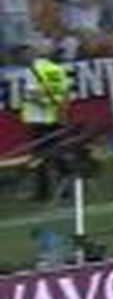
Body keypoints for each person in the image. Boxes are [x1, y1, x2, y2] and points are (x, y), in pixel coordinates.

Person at [19, 45, 69, 202]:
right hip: (55, 118)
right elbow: (64, 94)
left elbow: (33, 94)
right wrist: (60, 112)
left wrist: (42, 102)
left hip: (38, 119)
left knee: (40, 157)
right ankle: (67, 187)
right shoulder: (57, 70)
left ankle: (43, 192)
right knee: (59, 154)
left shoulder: (32, 71)